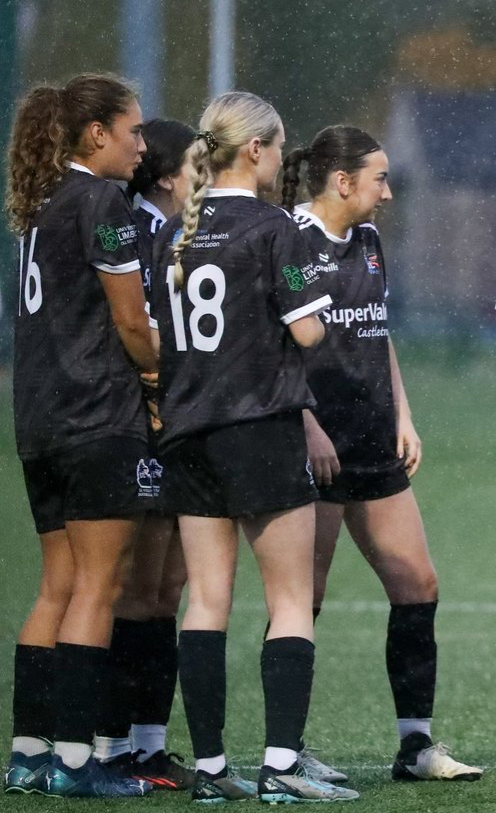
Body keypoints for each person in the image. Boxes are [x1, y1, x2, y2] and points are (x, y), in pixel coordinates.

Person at [149, 91, 357, 803]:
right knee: (291, 599)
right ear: (256, 151)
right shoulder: (274, 228)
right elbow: (307, 334)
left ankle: (210, 772)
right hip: (259, 427)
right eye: (279, 144)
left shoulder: (174, 230)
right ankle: (280, 766)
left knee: (205, 601)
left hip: (186, 432)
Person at [280, 124, 482, 783]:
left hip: (373, 442)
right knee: (301, 600)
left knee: (418, 585)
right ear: (343, 182)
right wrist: (306, 423)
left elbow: (378, 332)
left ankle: (415, 747)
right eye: (380, 179)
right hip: (317, 449)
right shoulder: (288, 240)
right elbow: (273, 350)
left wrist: (405, 414)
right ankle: (289, 749)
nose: (389, 193)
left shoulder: (366, 243)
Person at [4, 73, 157, 798]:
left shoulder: (42, 206)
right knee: (100, 584)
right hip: (96, 416)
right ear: (96, 134)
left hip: (38, 420)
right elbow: (131, 323)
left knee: (57, 586)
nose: (142, 145)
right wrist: (161, 380)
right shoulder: (102, 201)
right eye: (133, 131)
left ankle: (29, 754)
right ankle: (75, 762)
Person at [90, 117, 199, 792]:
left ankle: (151, 750)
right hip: (143, 422)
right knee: (134, 591)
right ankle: (111, 746)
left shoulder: (174, 237)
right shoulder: (139, 234)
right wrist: (160, 392)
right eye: (196, 166)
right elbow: (135, 330)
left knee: (166, 591)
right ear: (165, 175)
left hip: (180, 422)